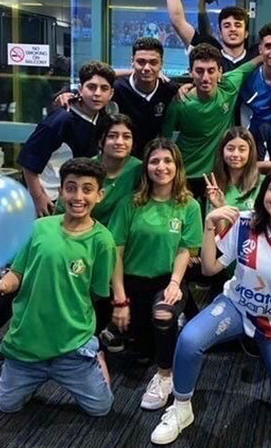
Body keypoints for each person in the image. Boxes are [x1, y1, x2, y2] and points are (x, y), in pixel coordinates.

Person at [0, 117, 139, 382]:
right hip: (69, 243)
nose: (119, 142)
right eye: (112, 136)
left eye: (126, 136)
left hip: (106, 248)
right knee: (22, 285)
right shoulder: (83, 169)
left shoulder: (138, 170)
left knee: (95, 295)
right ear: (101, 141)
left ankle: (93, 345)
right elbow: (62, 215)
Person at [150, 166, 271, 445]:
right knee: (189, 338)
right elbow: (209, 269)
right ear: (264, 192)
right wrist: (210, 226)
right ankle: (181, 408)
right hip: (237, 307)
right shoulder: (245, 223)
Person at [0, 158, 115, 416]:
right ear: (60, 191)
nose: (78, 197)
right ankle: (30, 378)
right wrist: (4, 284)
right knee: (7, 405)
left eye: (87, 189)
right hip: (27, 344)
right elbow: (17, 273)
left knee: (101, 408)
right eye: (71, 188)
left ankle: (95, 357)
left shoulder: (103, 241)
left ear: (99, 195)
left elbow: (97, 293)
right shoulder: (38, 228)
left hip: (73, 347)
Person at [109, 138, 203, 411]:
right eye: (154, 161)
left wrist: (175, 283)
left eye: (167, 161)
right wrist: (120, 299)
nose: (161, 167)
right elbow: (116, 253)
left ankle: (164, 376)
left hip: (166, 281)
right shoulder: (129, 204)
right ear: (146, 167)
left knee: (163, 315)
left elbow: (185, 249)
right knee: (135, 350)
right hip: (132, 283)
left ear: (177, 166)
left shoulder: (189, 205)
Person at [163, 43, 261, 200]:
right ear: (191, 72)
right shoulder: (180, 104)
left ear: (220, 71)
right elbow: (164, 141)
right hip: (186, 175)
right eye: (199, 71)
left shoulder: (229, 85)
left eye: (211, 71)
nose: (205, 78)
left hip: (219, 175)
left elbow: (255, 62)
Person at [18, 60, 115, 216]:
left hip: (73, 199)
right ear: (80, 89)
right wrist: (38, 197)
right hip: (49, 200)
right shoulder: (61, 119)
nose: (97, 93)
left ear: (111, 94)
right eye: (91, 87)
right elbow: (28, 162)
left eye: (104, 88)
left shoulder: (101, 119)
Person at [55, 38, 179, 159]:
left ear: (161, 64)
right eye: (141, 62)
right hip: (116, 157)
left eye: (153, 63)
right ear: (132, 62)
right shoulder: (117, 88)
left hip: (150, 159)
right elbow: (94, 83)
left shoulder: (169, 90)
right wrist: (68, 94)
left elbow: (188, 90)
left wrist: (186, 87)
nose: (146, 68)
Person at [205, 126, 263, 213]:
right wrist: (220, 207)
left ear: (250, 152)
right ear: (222, 151)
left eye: (242, 150)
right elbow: (211, 220)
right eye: (230, 149)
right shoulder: (215, 183)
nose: (235, 154)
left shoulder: (263, 183)